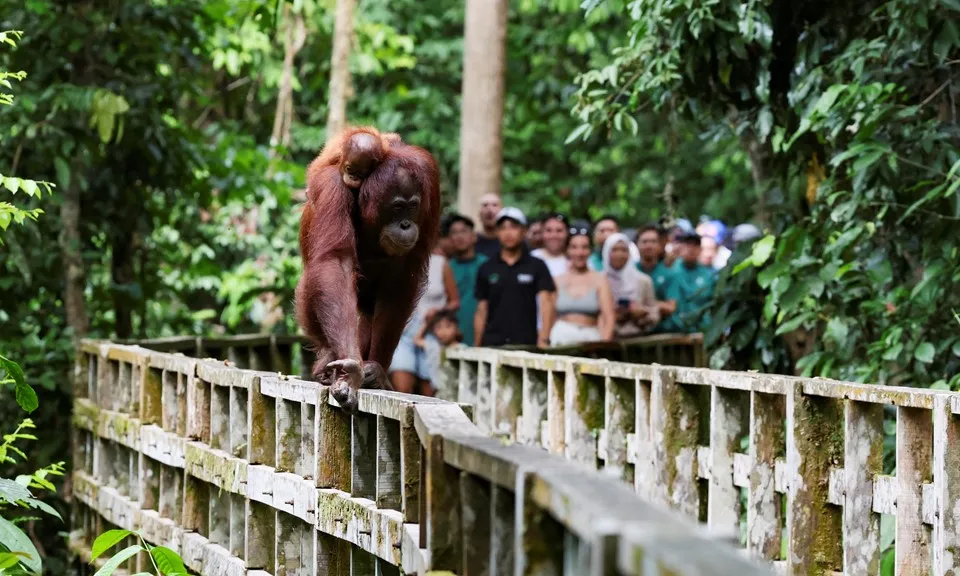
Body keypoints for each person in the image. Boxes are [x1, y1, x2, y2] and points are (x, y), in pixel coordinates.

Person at [475, 207, 556, 347]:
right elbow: (482, 310)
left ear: (524, 231)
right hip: (493, 343)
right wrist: (476, 346)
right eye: (503, 228)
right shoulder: (486, 267)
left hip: (527, 343)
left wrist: (544, 339)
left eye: (513, 227)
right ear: (497, 232)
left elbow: (546, 303)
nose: (508, 233)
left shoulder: (537, 265)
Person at [389, 249, 460, 394]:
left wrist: (438, 311)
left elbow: (455, 302)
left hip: (433, 334)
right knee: (403, 389)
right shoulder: (394, 261)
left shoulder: (440, 263)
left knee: (430, 391)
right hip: (403, 334)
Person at [550, 225, 615, 345]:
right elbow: (550, 316)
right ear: (567, 250)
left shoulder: (600, 280)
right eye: (574, 247)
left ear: (590, 250)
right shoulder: (557, 280)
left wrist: (604, 344)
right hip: (561, 336)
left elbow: (609, 317)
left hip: (590, 337)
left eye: (584, 247)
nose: (579, 253)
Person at [603, 233, 659, 338]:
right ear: (606, 252)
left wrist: (642, 313)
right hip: (608, 340)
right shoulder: (600, 281)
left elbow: (654, 313)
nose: (619, 254)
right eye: (614, 250)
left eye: (624, 250)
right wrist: (612, 314)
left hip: (638, 338)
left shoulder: (643, 280)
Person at [446, 213, 487, 346]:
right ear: (449, 239)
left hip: (485, 334)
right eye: (454, 232)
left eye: (464, 231)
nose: (459, 236)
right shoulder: (446, 268)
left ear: (474, 237)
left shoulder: (487, 265)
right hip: (453, 337)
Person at [665, 232, 716, 333]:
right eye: (688, 244)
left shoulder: (708, 275)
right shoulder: (671, 272)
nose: (691, 248)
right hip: (674, 330)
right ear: (680, 247)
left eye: (695, 245)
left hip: (703, 329)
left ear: (700, 249)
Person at [635, 224, 679, 330]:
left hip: (663, 329)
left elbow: (671, 306)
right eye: (645, 242)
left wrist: (646, 305)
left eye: (653, 242)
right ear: (637, 244)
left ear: (660, 246)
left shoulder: (669, 274)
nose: (649, 246)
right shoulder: (630, 271)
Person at [413, 309, 463, 399]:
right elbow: (417, 340)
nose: (443, 331)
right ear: (433, 330)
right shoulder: (434, 347)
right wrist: (427, 323)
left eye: (448, 326)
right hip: (440, 393)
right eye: (438, 327)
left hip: (459, 394)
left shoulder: (462, 349)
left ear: (456, 328)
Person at [530, 213, 569, 278]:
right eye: (548, 230)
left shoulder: (575, 259)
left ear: (567, 233)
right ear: (542, 233)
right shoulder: (531, 258)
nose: (554, 235)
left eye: (559, 231)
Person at [475, 193, 503, 259]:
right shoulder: (471, 242)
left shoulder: (510, 241)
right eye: (485, 205)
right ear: (479, 213)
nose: (490, 209)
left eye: (494, 205)